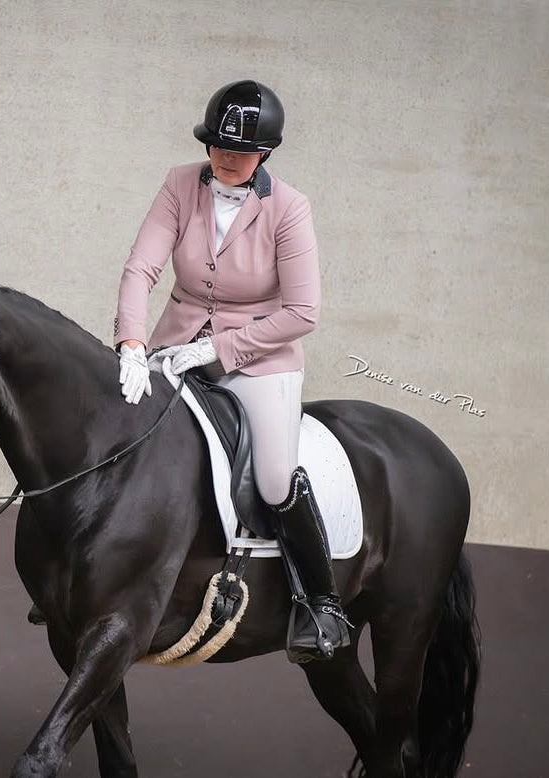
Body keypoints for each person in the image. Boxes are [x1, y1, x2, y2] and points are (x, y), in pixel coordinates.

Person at [113, 80, 352, 663]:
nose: (225, 157)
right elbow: (141, 268)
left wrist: (220, 350)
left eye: (240, 150)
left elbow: (303, 312)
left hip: (260, 360)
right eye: (218, 145)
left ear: (264, 153)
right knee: (117, 428)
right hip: (172, 347)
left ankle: (320, 604)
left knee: (274, 478)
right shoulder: (179, 184)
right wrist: (132, 344)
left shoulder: (289, 208)